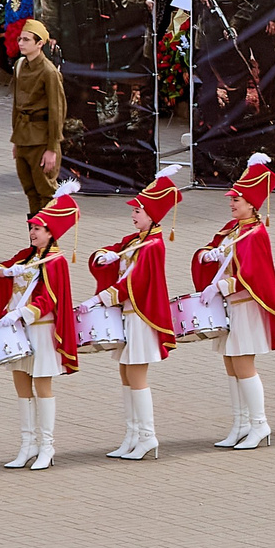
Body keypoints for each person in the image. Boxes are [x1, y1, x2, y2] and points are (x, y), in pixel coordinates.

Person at [194, 152, 275, 448]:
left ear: (251, 203)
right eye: (232, 198)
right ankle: (240, 424)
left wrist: (221, 285)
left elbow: (255, 276)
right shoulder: (234, 230)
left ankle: (260, 424)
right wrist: (207, 255)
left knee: (244, 364)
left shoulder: (255, 233)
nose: (231, 203)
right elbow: (215, 253)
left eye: (236, 199)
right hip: (229, 307)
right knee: (230, 364)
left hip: (245, 308)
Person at [0, 182, 83, 471]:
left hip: (40, 329)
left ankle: (47, 445)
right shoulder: (26, 256)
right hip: (21, 330)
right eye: (31, 227)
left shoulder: (56, 261)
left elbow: (50, 298)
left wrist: (20, 314)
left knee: (42, 385)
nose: (32, 232)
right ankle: (27, 444)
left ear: (51, 233)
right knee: (20, 383)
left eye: (38, 229)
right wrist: (4, 271)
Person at [92, 171, 179, 461]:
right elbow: (116, 251)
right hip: (128, 315)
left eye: (138, 210)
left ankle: (147, 435)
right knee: (125, 373)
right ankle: (131, 435)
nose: (133, 214)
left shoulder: (153, 245)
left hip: (141, 316)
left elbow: (138, 281)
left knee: (137, 375)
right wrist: (103, 255)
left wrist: (106, 296)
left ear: (152, 215)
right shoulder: (136, 240)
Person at [10, 20, 66, 214]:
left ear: (39, 43)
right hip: (23, 137)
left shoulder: (49, 72)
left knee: (46, 192)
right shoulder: (19, 66)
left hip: (41, 140)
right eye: (20, 39)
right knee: (30, 191)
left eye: (26, 39)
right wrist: (16, 140)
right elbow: (17, 106)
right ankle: (36, 239)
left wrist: (52, 148)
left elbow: (57, 111)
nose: (21, 43)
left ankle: (50, 242)